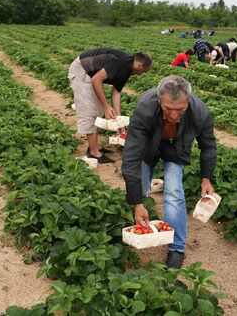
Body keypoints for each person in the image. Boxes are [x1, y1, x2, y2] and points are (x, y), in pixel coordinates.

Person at [122, 75, 217, 269]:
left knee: (174, 192)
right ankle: (138, 218)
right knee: (140, 182)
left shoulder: (200, 113)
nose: (174, 116)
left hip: (177, 148)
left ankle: (176, 247)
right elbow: (131, 156)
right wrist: (137, 201)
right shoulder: (145, 109)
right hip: (149, 145)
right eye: (168, 109)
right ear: (159, 100)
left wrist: (206, 178)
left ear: (188, 102)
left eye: (180, 110)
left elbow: (208, 147)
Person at [68, 48, 153, 163]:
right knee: (90, 111)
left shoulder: (127, 69)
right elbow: (96, 79)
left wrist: (119, 123)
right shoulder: (122, 61)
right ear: (140, 65)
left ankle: (95, 147)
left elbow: (116, 93)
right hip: (82, 70)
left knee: (97, 111)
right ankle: (93, 153)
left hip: (91, 75)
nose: (141, 74)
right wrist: (106, 107)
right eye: (143, 71)